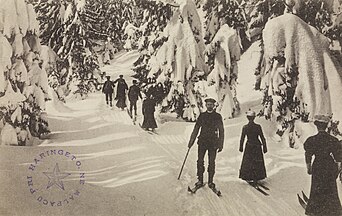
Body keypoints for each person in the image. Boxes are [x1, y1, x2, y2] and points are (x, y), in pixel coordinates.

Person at [303, 114, 342, 216]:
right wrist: (337, 169)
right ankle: (332, 208)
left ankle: (315, 208)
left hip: (318, 165)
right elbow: (338, 157)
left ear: (317, 126)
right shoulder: (333, 140)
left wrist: (309, 167)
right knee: (331, 187)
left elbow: (308, 154)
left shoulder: (311, 140)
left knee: (317, 186)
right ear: (326, 126)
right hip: (329, 165)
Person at [188, 98, 224, 189]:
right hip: (202, 142)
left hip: (213, 143)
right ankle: (200, 180)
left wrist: (220, 144)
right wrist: (191, 141)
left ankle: (211, 181)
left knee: (211, 162)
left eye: (211, 105)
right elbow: (196, 129)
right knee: (200, 161)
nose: (209, 106)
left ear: (214, 106)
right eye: (208, 104)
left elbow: (221, 131)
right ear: (206, 105)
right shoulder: (202, 116)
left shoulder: (217, 116)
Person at [239, 110, 267, 185]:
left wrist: (241, 147)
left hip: (249, 146)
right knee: (256, 162)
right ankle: (256, 177)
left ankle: (251, 176)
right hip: (256, 145)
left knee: (250, 162)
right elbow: (262, 137)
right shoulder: (257, 127)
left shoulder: (245, 127)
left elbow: (242, 138)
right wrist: (264, 146)